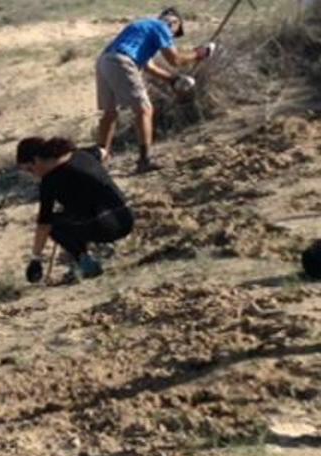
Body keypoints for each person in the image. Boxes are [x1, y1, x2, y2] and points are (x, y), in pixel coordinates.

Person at [94, 7, 215, 173]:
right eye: (175, 33)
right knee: (144, 110)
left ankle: (100, 159)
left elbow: (148, 66)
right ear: (174, 22)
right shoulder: (161, 26)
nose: (172, 37)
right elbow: (175, 60)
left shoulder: (143, 27)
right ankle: (144, 160)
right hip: (122, 61)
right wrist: (199, 54)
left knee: (110, 114)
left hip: (104, 61)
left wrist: (173, 80)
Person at [16, 137, 134, 283]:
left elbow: (44, 224)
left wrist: (36, 259)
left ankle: (85, 263)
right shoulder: (81, 154)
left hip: (106, 227)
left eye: (30, 169)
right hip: (127, 218)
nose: (33, 175)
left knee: (55, 223)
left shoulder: (50, 181)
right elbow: (103, 152)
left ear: (36, 160)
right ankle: (100, 251)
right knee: (76, 215)